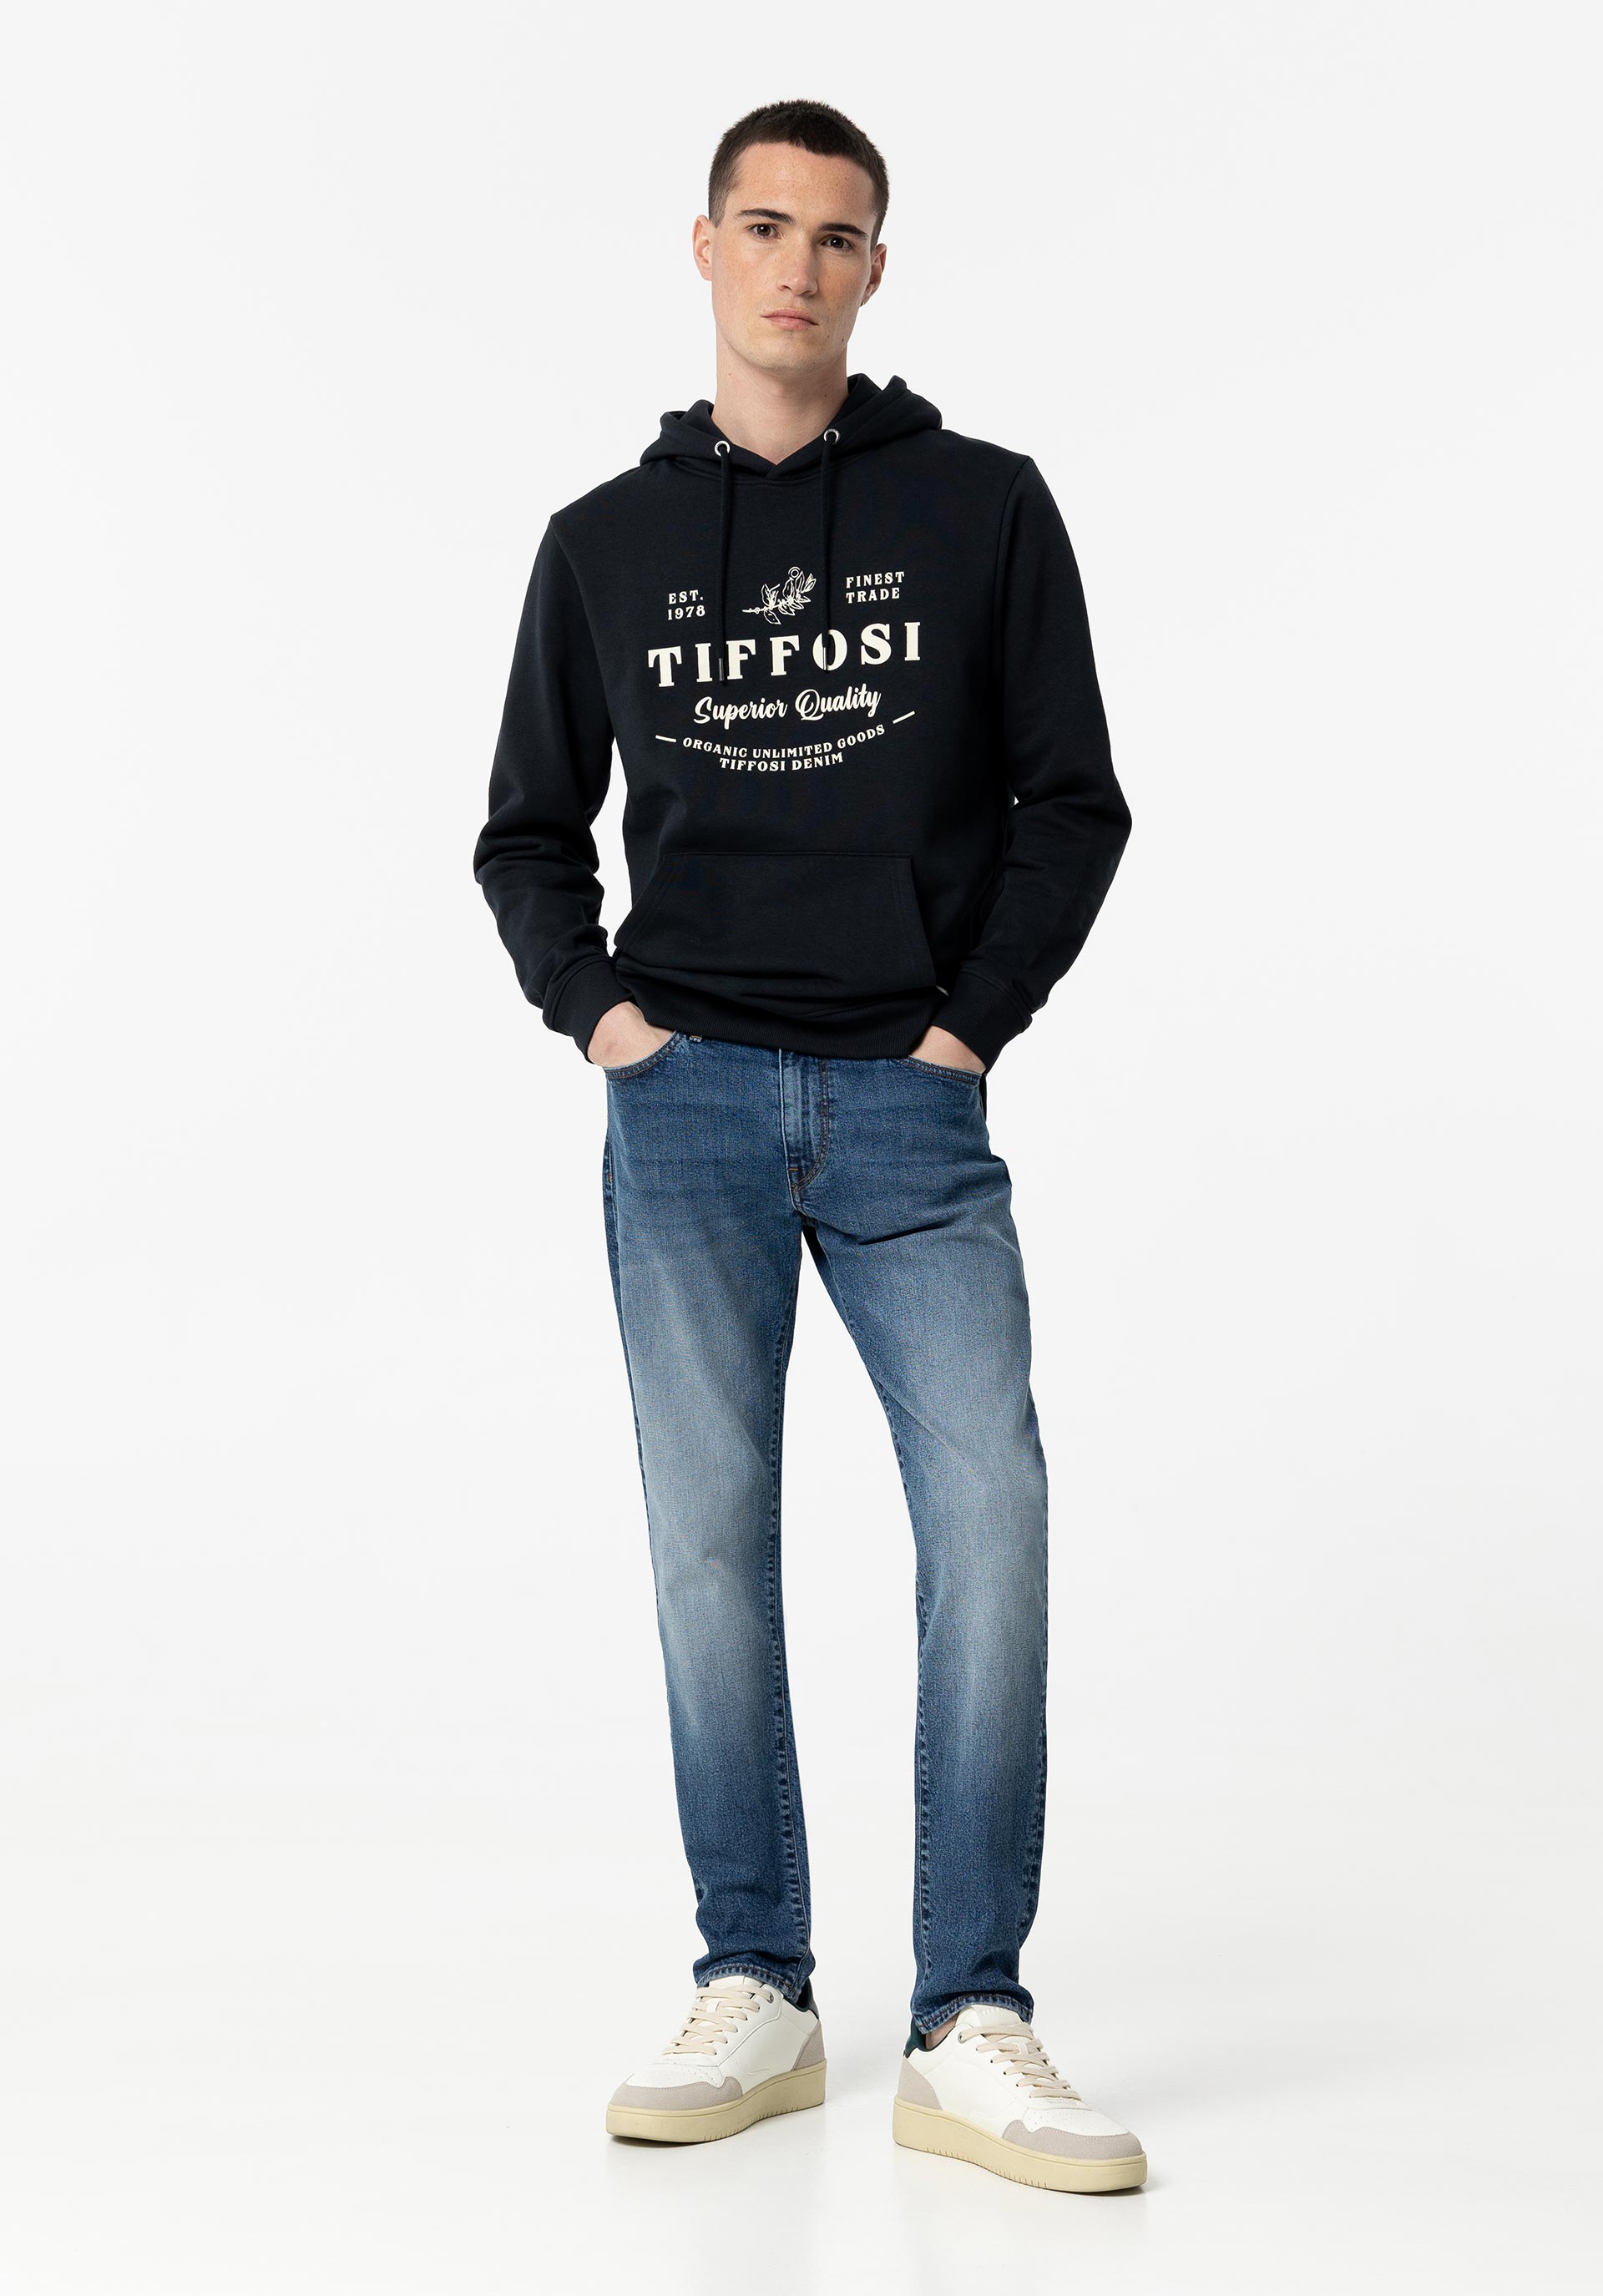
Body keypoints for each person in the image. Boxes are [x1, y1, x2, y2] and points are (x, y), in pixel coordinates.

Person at [473, 98, 1144, 2196]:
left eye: (837, 237)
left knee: (991, 1524)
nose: (798, 267)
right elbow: (524, 832)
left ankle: (970, 2014)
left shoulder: (982, 507)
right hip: (681, 1103)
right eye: (764, 228)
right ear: (705, 248)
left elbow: (1073, 802)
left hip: (907, 1107)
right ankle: (755, 1981)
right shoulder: (603, 542)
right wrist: (604, 1016)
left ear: (875, 270)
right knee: (707, 1548)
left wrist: (966, 1027)